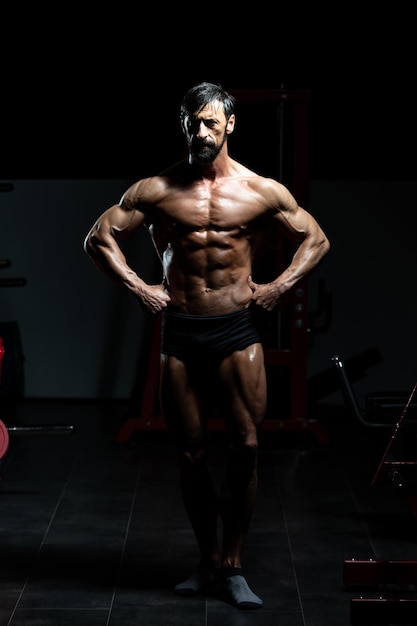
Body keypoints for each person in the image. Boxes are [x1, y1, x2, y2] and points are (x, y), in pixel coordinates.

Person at [83, 81, 330, 610]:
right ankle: (206, 562)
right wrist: (139, 289)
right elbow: (99, 237)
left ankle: (235, 566)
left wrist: (280, 287)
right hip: (182, 332)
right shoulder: (157, 190)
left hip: (237, 329)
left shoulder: (261, 191)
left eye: (210, 123)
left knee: (245, 447)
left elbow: (317, 239)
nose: (200, 132)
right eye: (192, 123)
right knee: (191, 454)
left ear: (230, 125)